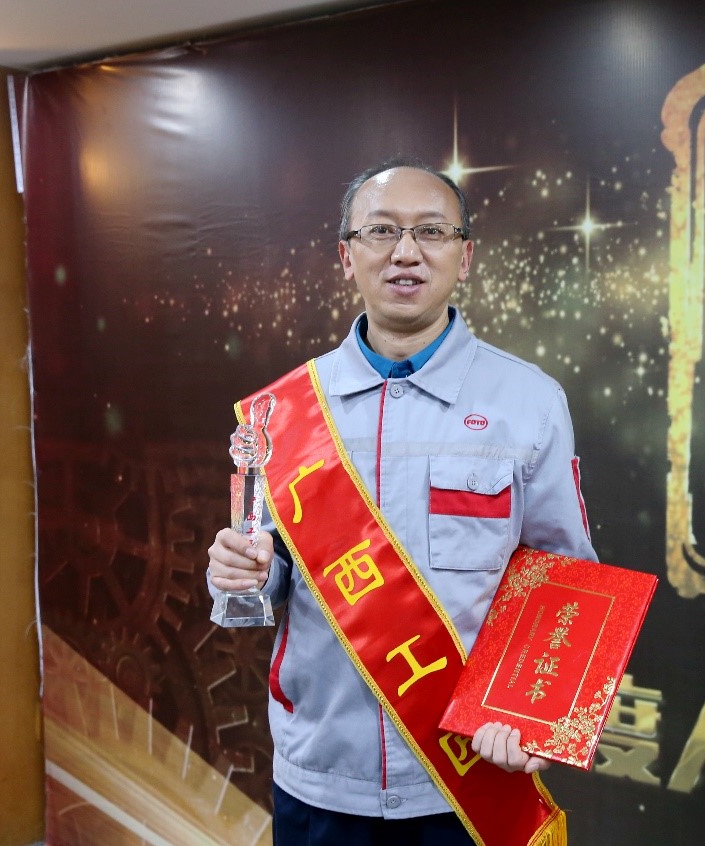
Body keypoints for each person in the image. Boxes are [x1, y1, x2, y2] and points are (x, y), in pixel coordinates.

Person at [207, 157, 597, 845]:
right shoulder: (283, 413)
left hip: (466, 775)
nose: (406, 252)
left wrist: (535, 718)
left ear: (465, 256)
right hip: (321, 775)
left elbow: (565, 577)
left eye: (432, 231)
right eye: (381, 231)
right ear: (346, 256)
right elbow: (271, 573)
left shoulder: (530, 401)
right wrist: (244, 573)